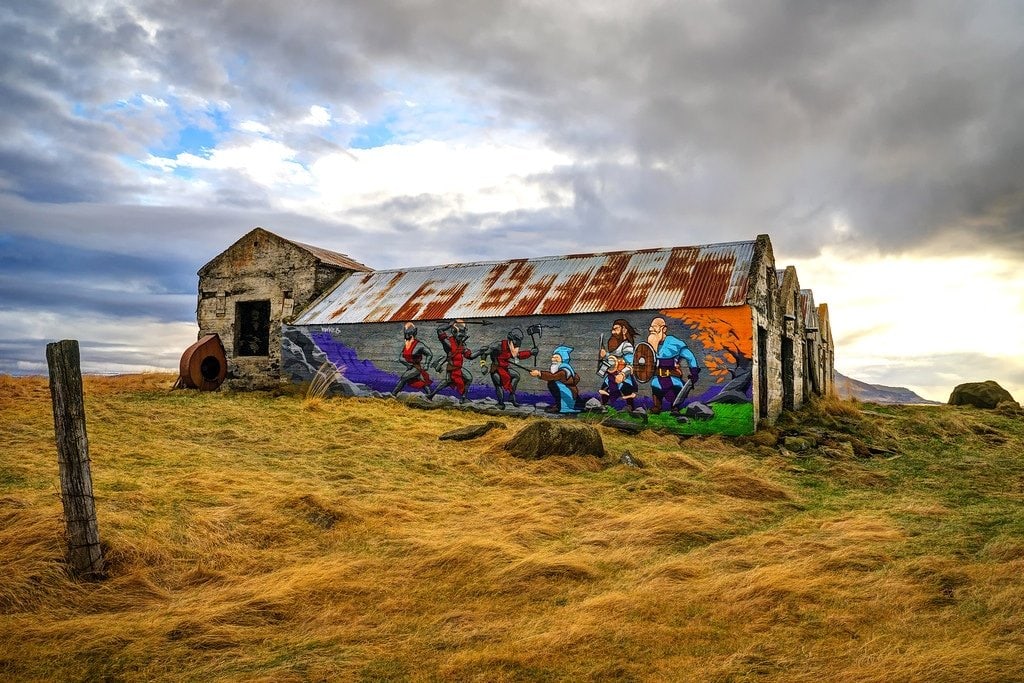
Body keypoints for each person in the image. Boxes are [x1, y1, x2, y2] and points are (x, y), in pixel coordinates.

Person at [647, 317, 699, 414]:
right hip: (657, 377)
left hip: (672, 377)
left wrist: (694, 372)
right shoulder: (649, 346)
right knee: (656, 386)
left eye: (654, 327)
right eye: (651, 327)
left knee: (674, 389)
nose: (651, 330)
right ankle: (657, 407)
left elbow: (690, 357)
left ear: (663, 329)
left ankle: (674, 407)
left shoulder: (674, 343)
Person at [426, 319, 482, 403]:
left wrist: (480, 352)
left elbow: (469, 356)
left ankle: (463, 398)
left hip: (458, 367)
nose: (462, 335)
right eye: (460, 332)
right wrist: (450, 324)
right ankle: (431, 395)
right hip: (452, 367)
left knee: (468, 378)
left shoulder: (462, 344)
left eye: (463, 333)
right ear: (454, 332)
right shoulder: (448, 342)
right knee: (447, 382)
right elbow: (439, 330)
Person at [484, 327, 536, 408]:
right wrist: (483, 365)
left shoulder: (512, 347)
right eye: (514, 344)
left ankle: (512, 396)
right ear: (510, 340)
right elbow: (484, 353)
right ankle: (501, 403)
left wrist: (531, 352)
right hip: (496, 368)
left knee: (516, 376)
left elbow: (517, 355)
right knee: (498, 383)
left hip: (505, 368)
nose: (515, 347)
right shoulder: (498, 345)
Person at [598, 318, 639, 412]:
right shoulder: (615, 345)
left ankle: (630, 407)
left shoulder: (627, 346)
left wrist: (623, 374)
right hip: (611, 375)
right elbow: (612, 358)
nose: (613, 332)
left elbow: (630, 364)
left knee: (626, 390)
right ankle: (603, 406)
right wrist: (606, 355)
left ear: (624, 330)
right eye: (612, 329)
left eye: (616, 329)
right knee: (605, 389)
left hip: (622, 376)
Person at [530, 345, 581, 413]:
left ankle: (561, 407)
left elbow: (553, 376)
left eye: (556, 357)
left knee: (553, 383)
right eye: (553, 357)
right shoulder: (564, 368)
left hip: (568, 395)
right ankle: (558, 405)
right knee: (553, 383)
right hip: (568, 393)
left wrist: (539, 373)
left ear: (563, 359)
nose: (553, 359)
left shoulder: (564, 371)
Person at [391, 322, 433, 396]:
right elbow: (401, 357)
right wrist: (407, 364)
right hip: (411, 367)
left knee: (404, 378)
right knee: (421, 381)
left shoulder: (419, 345)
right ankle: (430, 394)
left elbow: (429, 354)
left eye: (408, 334)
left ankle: (393, 394)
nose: (406, 336)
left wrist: (426, 365)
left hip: (416, 367)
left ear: (413, 333)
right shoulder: (407, 345)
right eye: (406, 334)